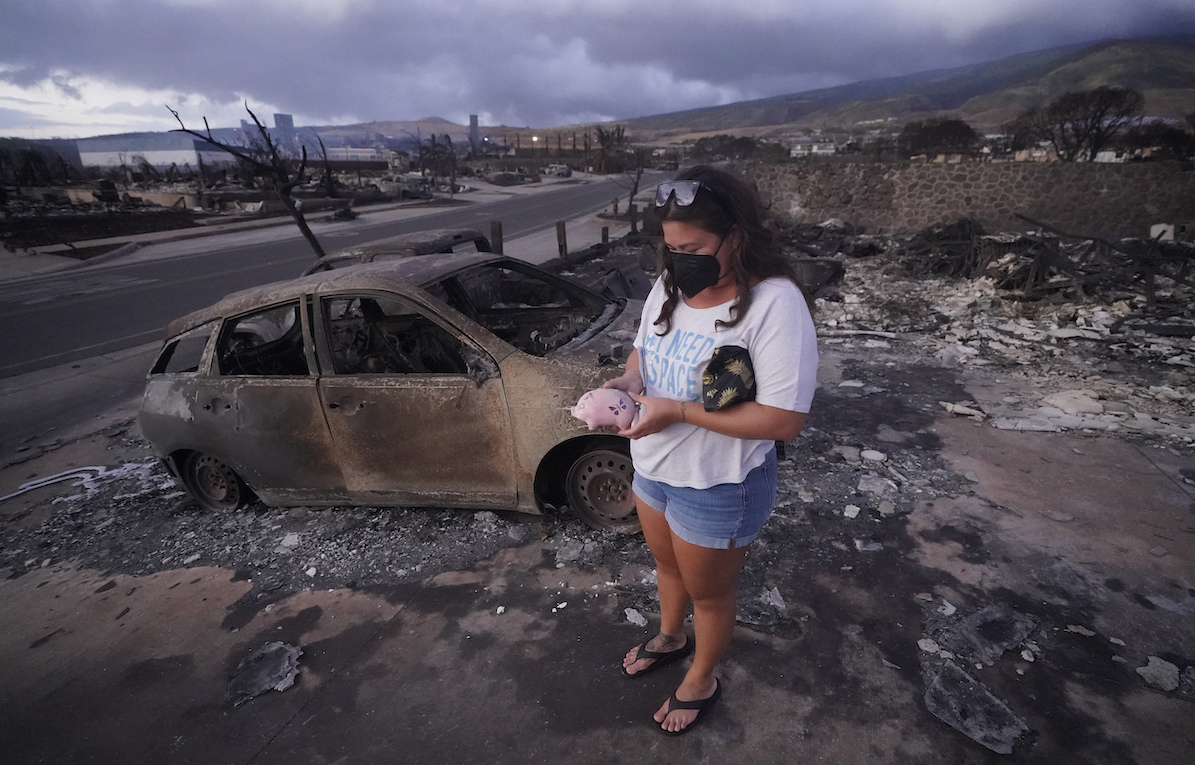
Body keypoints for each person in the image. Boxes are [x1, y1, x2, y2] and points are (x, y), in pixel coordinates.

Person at [603, 165, 818, 735]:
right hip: (654, 466)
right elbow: (641, 353)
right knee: (667, 567)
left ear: (737, 235)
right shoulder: (671, 284)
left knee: (711, 594)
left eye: (693, 248)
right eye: (671, 248)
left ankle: (702, 675)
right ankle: (671, 637)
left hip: (718, 482)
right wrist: (629, 383)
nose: (678, 261)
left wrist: (677, 411)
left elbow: (785, 419)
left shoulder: (775, 304)